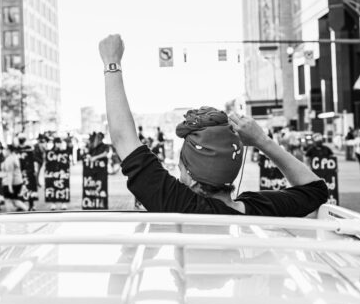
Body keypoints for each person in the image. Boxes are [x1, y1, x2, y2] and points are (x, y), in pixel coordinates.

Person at [98, 34, 327, 216]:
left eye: (181, 170)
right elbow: (315, 189)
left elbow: (123, 138)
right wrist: (262, 141)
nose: (179, 178)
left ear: (194, 179)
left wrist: (112, 62)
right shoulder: (260, 209)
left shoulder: (181, 206)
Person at [1, 144, 27, 212]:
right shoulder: (14, 157)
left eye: (5, 149)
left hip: (10, 182)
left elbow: (10, 173)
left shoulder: (9, 159)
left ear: (9, 150)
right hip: (17, 182)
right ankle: (26, 209)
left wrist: (10, 187)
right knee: (15, 200)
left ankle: (10, 217)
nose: (3, 151)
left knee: (8, 200)